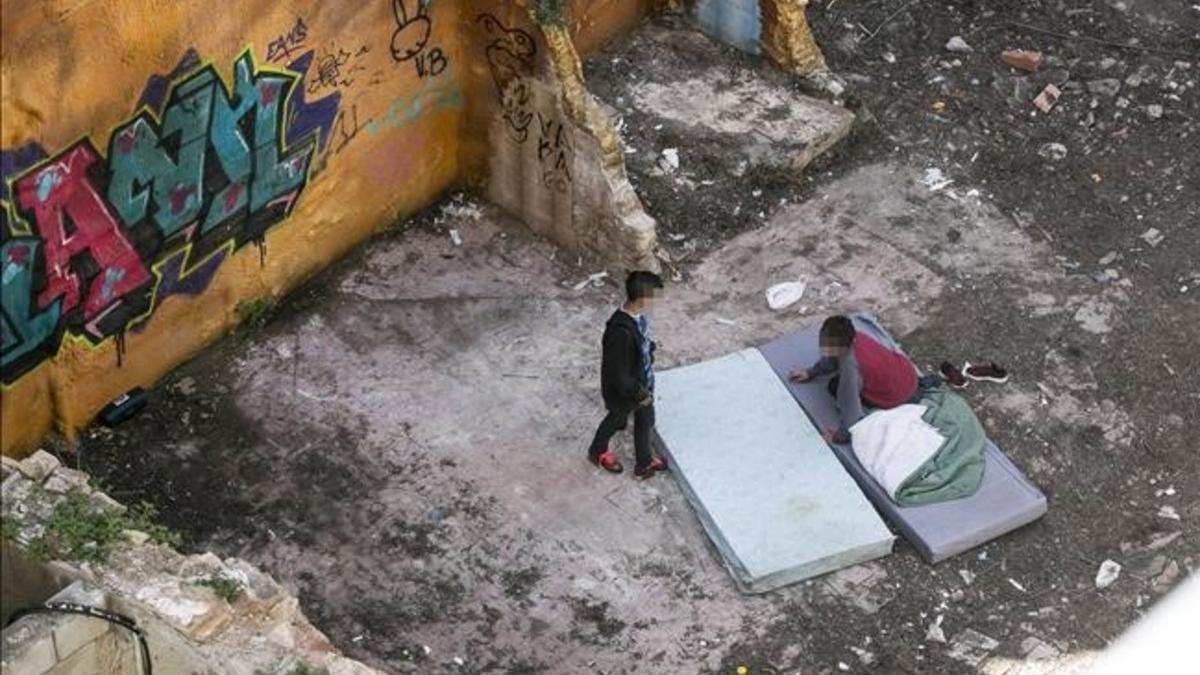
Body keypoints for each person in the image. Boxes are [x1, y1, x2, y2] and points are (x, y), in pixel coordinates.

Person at [587, 271, 670, 478]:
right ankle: (597, 450)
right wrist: (638, 392)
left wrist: (648, 349)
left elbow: (640, 342)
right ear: (642, 298)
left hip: (642, 382)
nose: (656, 302)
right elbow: (618, 374)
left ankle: (644, 463)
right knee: (616, 420)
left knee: (646, 420)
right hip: (626, 392)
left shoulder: (638, 317)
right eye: (654, 296)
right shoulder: (619, 332)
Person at [790, 315, 922, 444]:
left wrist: (839, 437)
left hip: (897, 395)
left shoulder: (850, 367)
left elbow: (851, 410)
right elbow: (831, 358)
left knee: (834, 387)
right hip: (907, 373)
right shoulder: (854, 336)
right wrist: (811, 372)